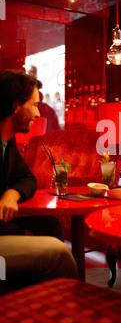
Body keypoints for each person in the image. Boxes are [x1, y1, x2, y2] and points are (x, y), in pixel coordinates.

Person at [0, 70, 78, 291]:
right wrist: (20, 234)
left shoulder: (8, 143)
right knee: (58, 253)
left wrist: (11, 193)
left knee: (49, 225)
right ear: (16, 106)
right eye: (34, 105)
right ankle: (68, 308)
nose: (37, 113)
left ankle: (34, 298)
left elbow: (27, 178)